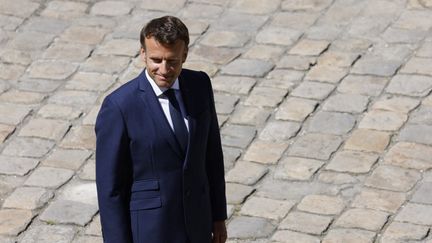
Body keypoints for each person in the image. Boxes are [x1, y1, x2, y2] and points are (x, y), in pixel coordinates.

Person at [95, 16, 227, 243]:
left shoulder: (200, 85)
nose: (164, 69)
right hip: (151, 231)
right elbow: (111, 189)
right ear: (143, 53)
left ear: (184, 54)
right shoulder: (119, 107)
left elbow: (211, 155)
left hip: (197, 227)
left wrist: (218, 217)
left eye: (172, 61)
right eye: (156, 60)